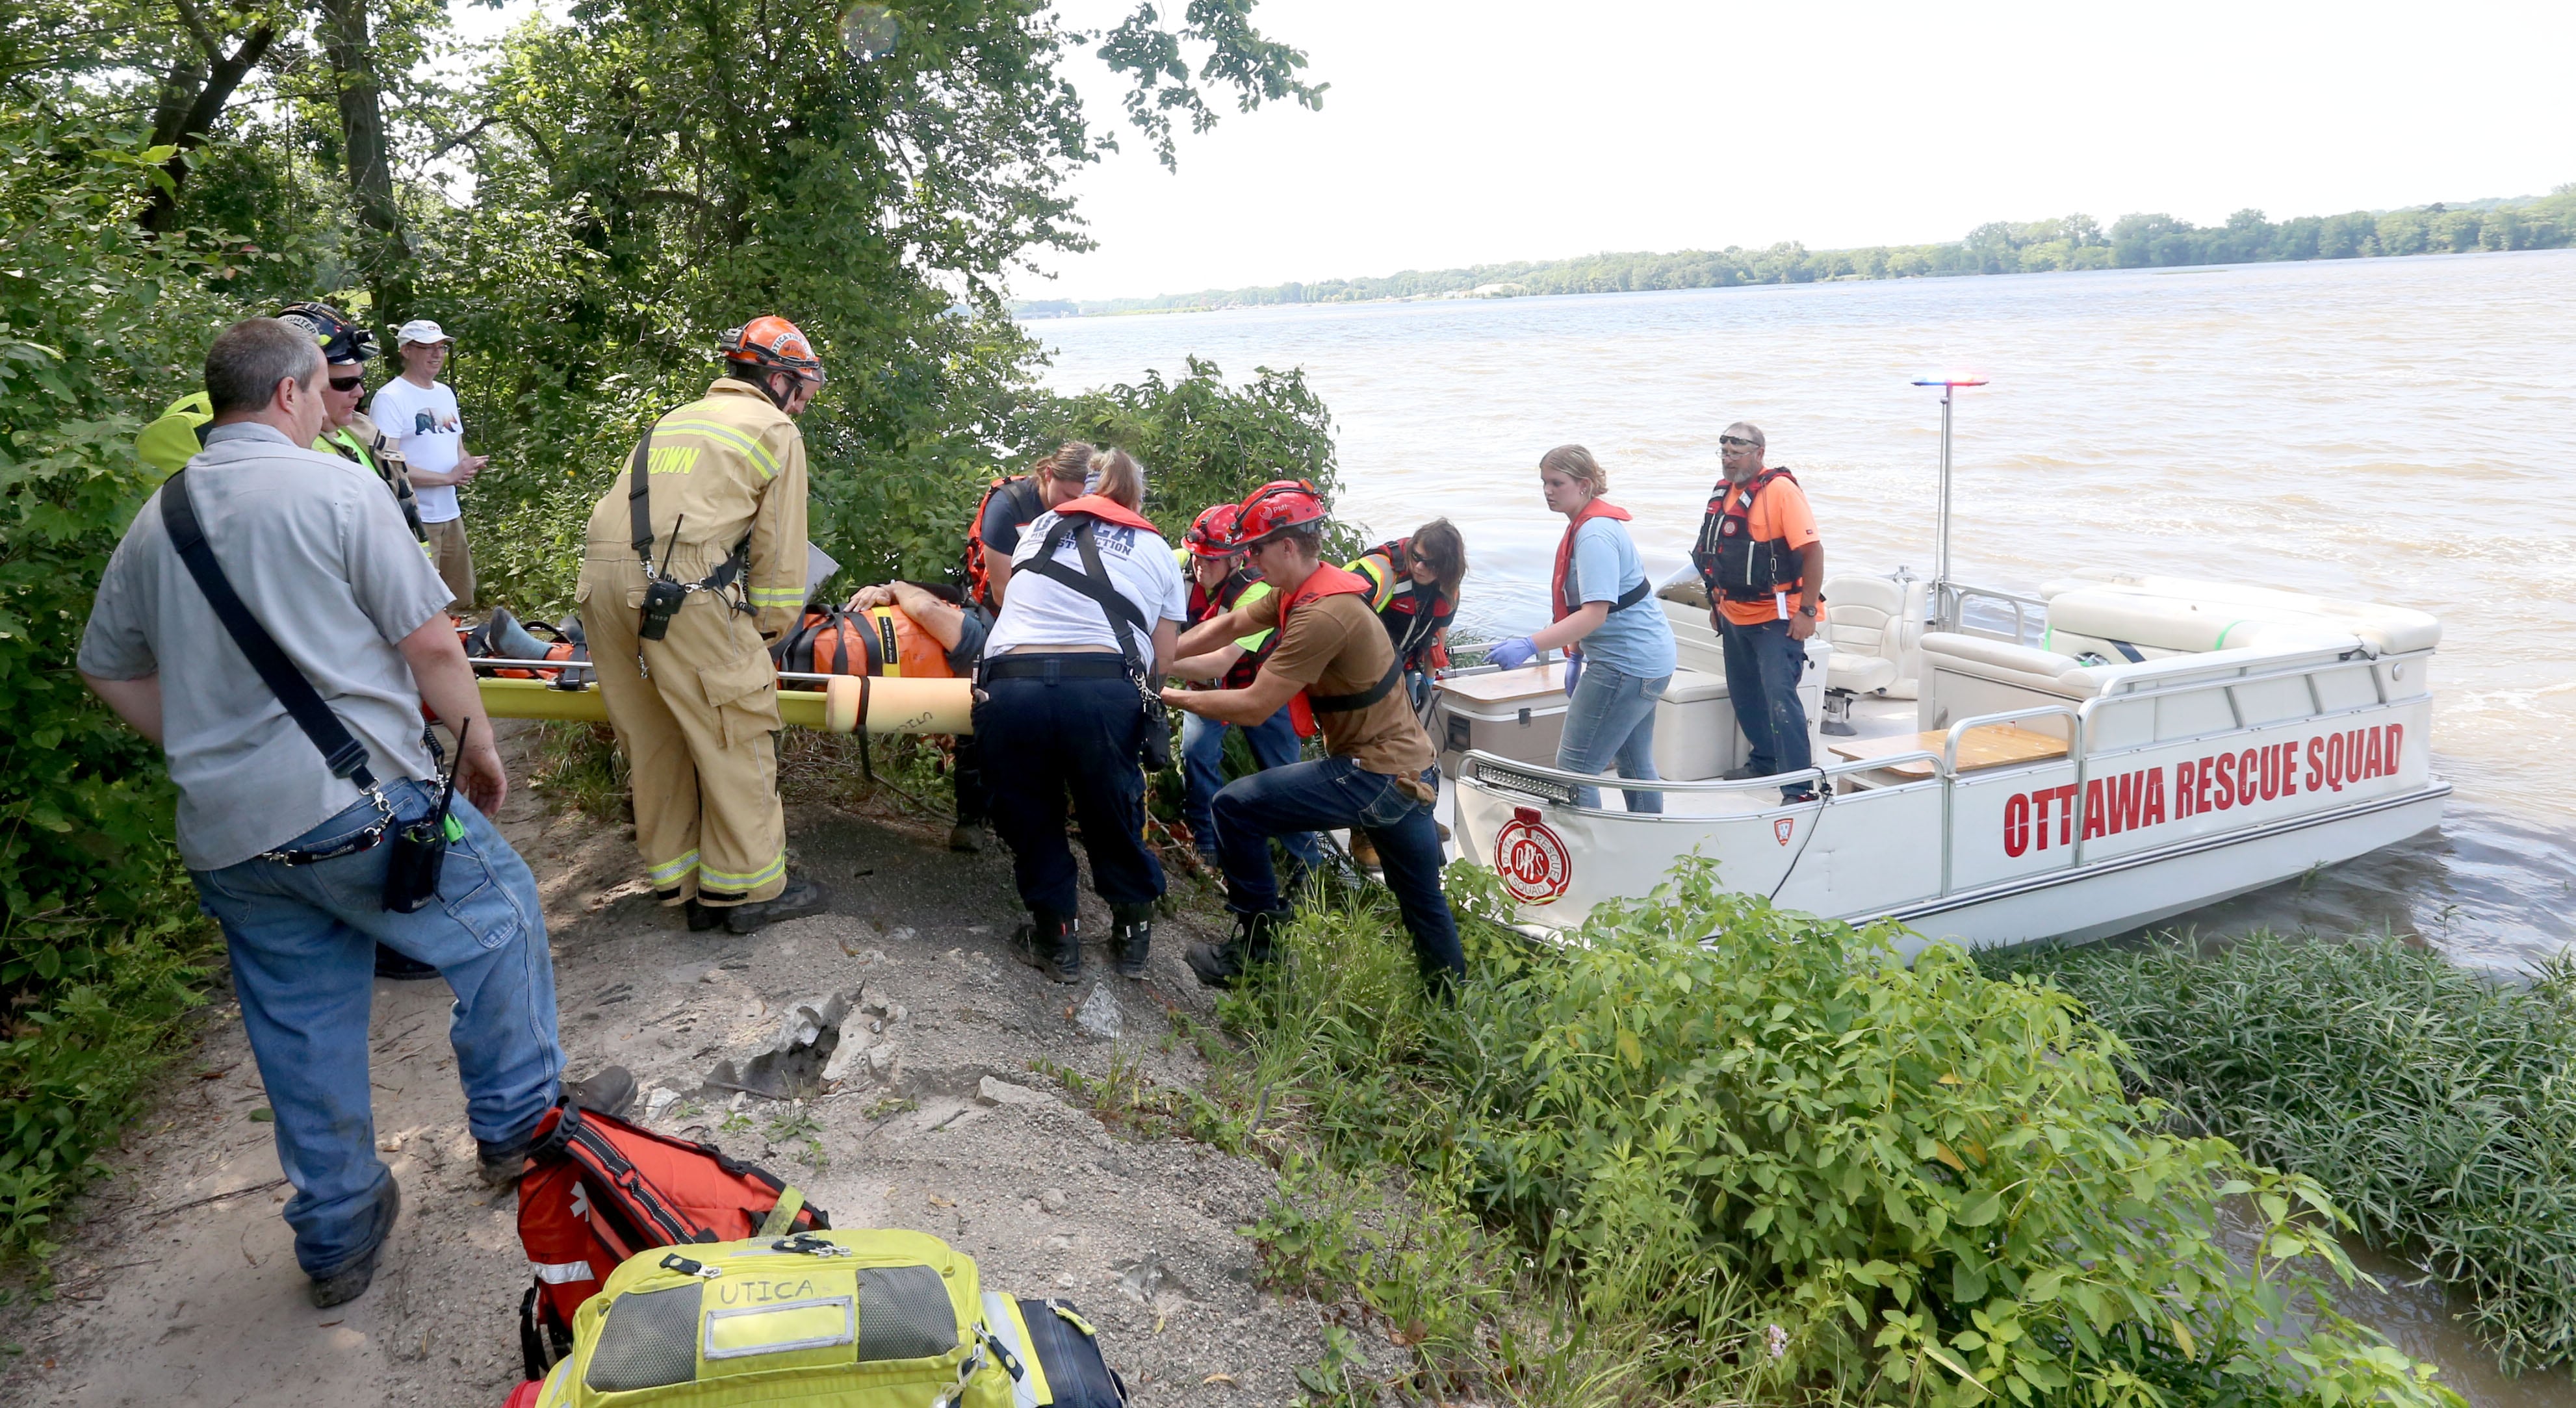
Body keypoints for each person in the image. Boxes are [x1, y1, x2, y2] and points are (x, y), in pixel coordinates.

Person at [76, 316, 631, 1308]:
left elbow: (106, 665)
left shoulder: (159, 517)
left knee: (299, 1015)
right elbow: (429, 646)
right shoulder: (335, 487)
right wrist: (482, 752)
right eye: (324, 391)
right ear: (290, 393)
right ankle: (518, 1124)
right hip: (358, 804)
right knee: (499, 913)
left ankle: (336, 1230)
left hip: (228, 833)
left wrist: (202, 747)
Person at [577, 316, 831, 935]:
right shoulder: (774, 429)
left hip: (601, 581)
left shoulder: (678, 418)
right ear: (776, 379)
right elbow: (779, 555)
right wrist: (764, 636)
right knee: (735, 729)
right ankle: (747, 891)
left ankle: (684, 882)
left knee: (656, 734)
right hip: (679, 586)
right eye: (801, 389)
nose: (801, 404)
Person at [1163, 481, 1463, 993]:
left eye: (1256, 547)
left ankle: (1257, 956)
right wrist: (1161, 657)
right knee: (1424, 905)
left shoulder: (1320, 614)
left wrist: (1166, 694)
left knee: (1235, 807)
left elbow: (1256, 705)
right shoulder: (1307, 586)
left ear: (1287, 546)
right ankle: (1451, 1006)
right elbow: (1231, 624)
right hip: (1414, 769)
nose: (1250, 557)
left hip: (1374, 775)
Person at [279, 301, 446, 982]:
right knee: (368, 784)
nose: (353, 395)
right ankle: (385, 931)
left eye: (355, 382)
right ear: (296, 383)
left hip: (383, 628)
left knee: (402, 769)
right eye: (341, 383)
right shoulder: (271, 449)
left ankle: (396, 915)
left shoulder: (350, 435)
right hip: (330, 649)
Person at [975, 448, 1186, 983]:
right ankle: (1133, 936)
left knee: (1030, 808)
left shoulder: (1041, 525)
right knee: (1110, 805)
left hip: (1013, 684)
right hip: (1100, 687)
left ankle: (1057, 938)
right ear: (1135, 498)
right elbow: (1162, 659)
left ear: (1085, 490)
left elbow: (1013, 594)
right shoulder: (1157, 548)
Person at [1487, 446, 1678, 813]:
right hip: (1649, 658)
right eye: (1544, 482)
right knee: (1635, 765)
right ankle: (1647, 844)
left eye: (1557, 483)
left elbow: (1594, 614)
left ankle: (1591, 849)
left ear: (1585, 485)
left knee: (1576, 769)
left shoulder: (1594, 536)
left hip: (1627, 665)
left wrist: (1529, 644)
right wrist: (1575, 655)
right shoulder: (1590, 526)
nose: (1548, 491)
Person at [949, 442, 1094, 852]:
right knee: (985, 699)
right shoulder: (1008, 505)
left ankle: (1044, 814)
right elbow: (1001, 588)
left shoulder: (1086, 507)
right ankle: (970, 815)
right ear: (1047, 475)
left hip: (1059, 613)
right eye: (1066, 496)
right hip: (997, 609)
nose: (1072, 505)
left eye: (1080, 499)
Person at [1170, 502, 1324, 882]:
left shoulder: (1257, 592)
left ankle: (1306, 867)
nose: (1198, 567)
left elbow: (1219, 662)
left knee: (1283, 777)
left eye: (1210, 560)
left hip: (1263, 689)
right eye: (1196, 557)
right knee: (1197, 758)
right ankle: (1207, 847)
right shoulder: (1177, 564)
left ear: (1237, 559)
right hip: (1207, 689)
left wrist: (1154, 662)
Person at [1689, 422, 1823, 802]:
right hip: (1732, 612)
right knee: (1745, 693)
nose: (1730, 460)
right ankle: (1764, 760)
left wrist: (1808, 611)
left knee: (1781, 698)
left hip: (1778, 617)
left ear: (1759, 453)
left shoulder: (1780, 491)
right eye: (1725, 453)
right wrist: (1716, 602)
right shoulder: (1722, 493)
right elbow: (1714, 554)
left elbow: (1813, 552)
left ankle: (1798, 788)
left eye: (1738, 452)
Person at [369, 319, 486, 607]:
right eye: (427, 348)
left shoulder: (445, 393)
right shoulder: (390, 398)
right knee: (422, 604)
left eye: (441, 348)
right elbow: (387, 466)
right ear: (406, 351)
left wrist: (467, 465)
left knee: (458, 600)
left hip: (450, 513)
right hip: (415, 518)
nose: (437, 355)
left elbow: (456, 445)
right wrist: (448, 477)